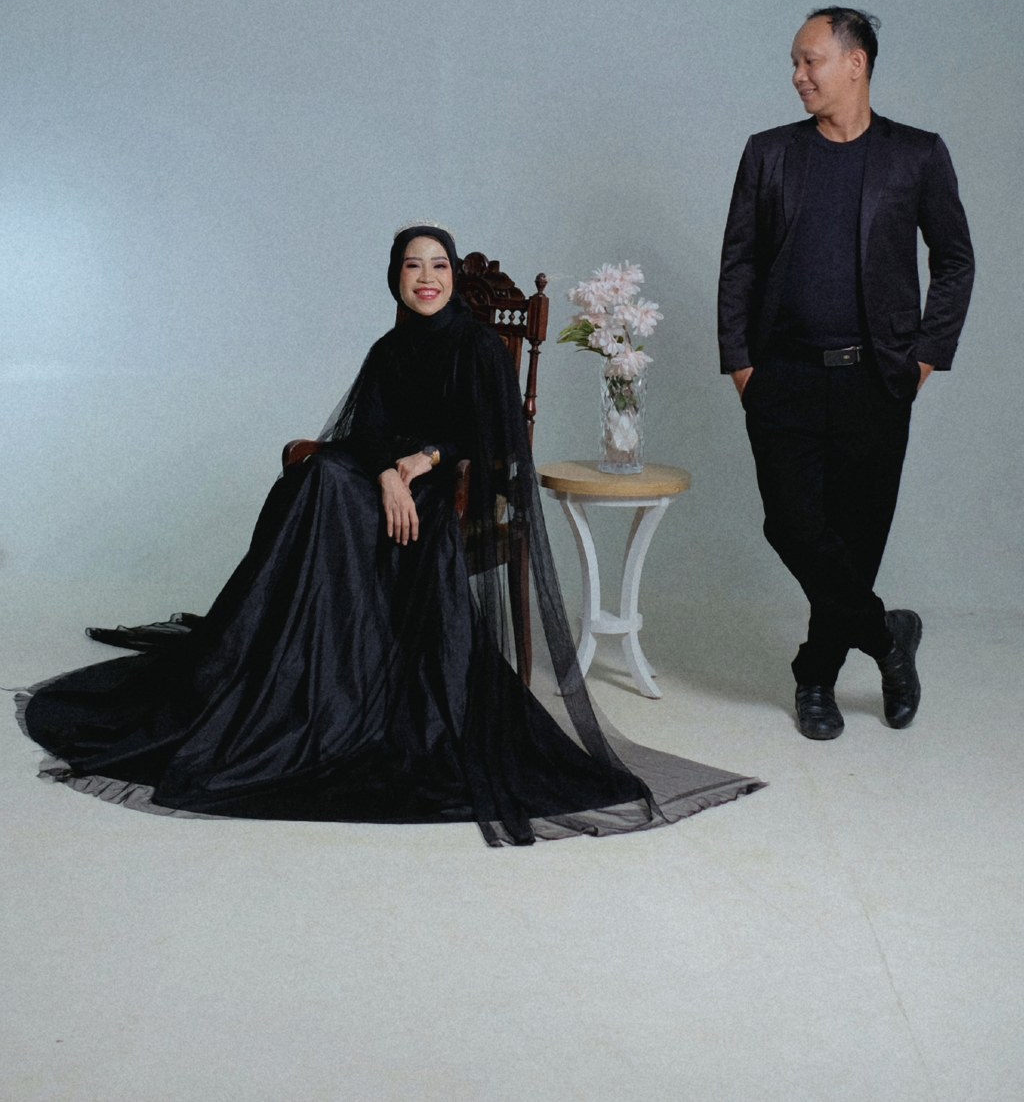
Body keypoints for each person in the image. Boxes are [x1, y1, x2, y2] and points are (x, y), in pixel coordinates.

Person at [20, 222, 763, 845]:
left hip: (444, 491)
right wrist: (385, 472)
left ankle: (318, 674)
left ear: (452, 277)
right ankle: (287, 667)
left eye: (438, 265)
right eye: (413, 266)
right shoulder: (388, 349)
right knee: (317, 476)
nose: (427, 277)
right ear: (395, 279)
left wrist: (418, 463)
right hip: (383, 481)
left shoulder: (478, 348)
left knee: (323, 482)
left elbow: (492, 438)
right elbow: (363, 434)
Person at [718, 9, 974, 741]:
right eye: (795, 64)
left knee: (855, 541)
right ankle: (889, 637)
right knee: (792, 523)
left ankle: (815, 677)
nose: (798, 76)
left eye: (811, 61)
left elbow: (955, 260)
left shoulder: (916, 155)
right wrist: (741, 364)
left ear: (855, 62)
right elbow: (739, 262)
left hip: (877, 381)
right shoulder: (769, 154)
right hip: (783, 377)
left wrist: (925, 355)